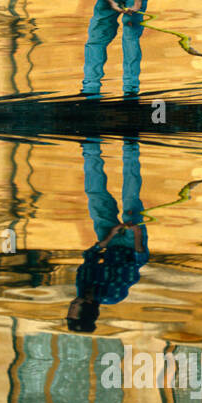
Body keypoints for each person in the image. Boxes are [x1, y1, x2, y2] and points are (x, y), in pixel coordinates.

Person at [66, 137, 148, 333]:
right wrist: (136, 233)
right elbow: (136, 263)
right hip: (130, 242)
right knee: (130, 198)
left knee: (95, 195)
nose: (70, 306)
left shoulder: (82, 286)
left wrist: (109, 237)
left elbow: (89, 258)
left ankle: (90, 146)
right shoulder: (114, 295)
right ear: (86, 310)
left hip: (108, 240)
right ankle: (131, 146)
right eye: (73, 310)